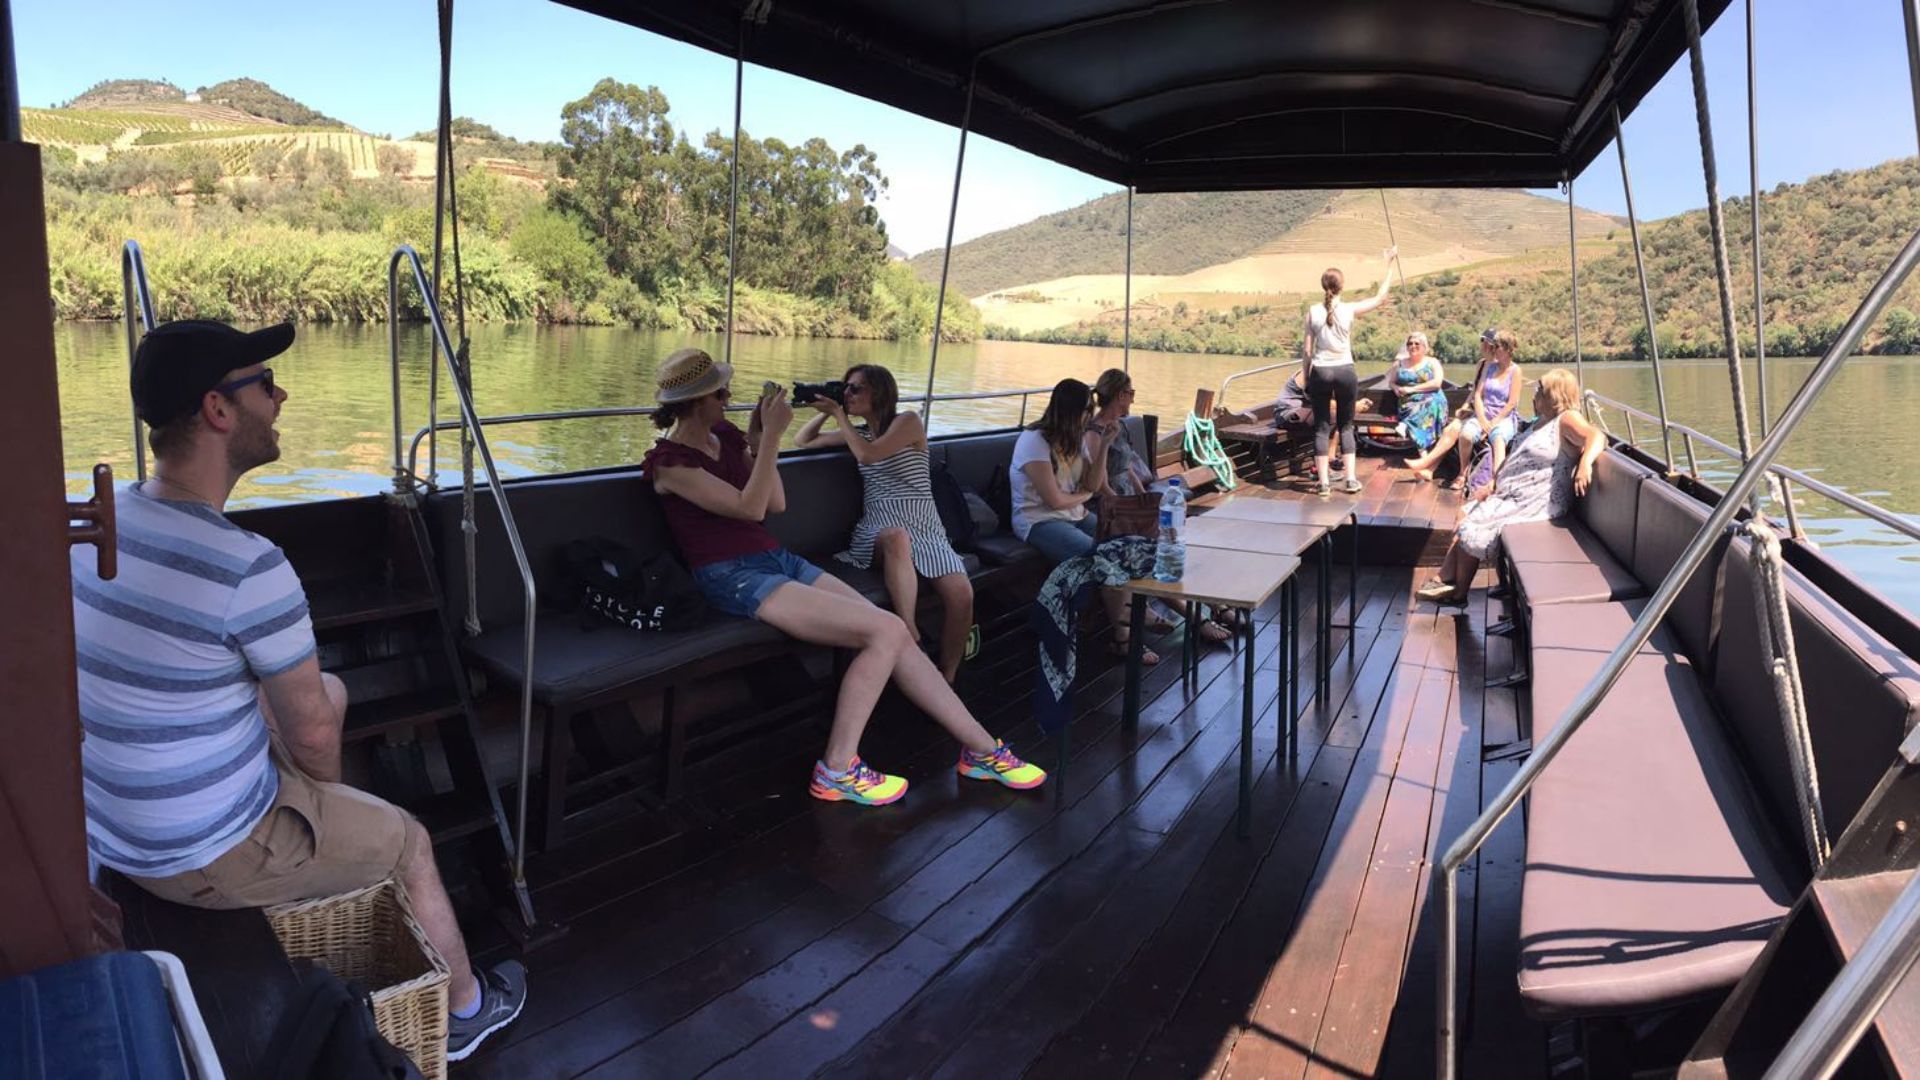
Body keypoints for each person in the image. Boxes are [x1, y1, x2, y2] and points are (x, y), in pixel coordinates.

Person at [72, 320, 526, 1062]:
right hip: (197, 854)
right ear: (219, 410)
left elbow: (312, 717)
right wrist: (320, 805)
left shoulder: (103, 524)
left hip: (120, 827)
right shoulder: (248, 566)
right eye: (265, 384)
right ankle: (469, 1010)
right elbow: (312, 743)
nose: (281, 396)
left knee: (334, 693)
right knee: (407, 840)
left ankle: (315, 861)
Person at [642, 348, 1044, 806]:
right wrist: (773, 436)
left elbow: (774, 505)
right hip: (729, 575)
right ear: (698, 401)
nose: (729, 396)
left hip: (777, 560)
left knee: (895, 635)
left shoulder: (725, 437)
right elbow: (749, 508)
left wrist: (755, 441)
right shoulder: (671, 465)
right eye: (720, 391)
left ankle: (983, 750)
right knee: (886, 629)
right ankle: (836, 768)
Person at [794, 364, 973, 683]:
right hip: (880, 526)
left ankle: (947, 674)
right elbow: (803, 440)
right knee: (896, 538)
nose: (848, 393)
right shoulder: (858, 433)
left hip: (925, 524)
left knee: (962, 595)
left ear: (880, 392)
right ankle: (909, 634)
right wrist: (827, 408)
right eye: (845, 387)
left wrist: (839, 415)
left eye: (855, 388)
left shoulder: (908, 421)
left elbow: (869, 456)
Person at [1416, 368, 1604, 605]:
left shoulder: (1567, 418)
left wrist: (1585, 463)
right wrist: (1493, 483)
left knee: (1471, 524)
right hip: (1513, 494)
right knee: (1467, 512)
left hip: (1537, 501)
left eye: (1540, 389)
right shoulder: (1541, 421)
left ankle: (1456, 590)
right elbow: (1515, 457)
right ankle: (1448, 581)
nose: (1534, 393)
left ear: (1555, 395)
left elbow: (1595, 436)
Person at [1010, 378, 1161, 663]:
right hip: (1039, 521)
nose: (1089, 416)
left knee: (1128, 543)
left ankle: (1130, 614)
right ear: (1069, 411)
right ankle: (1123, 636)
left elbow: (1092, 482)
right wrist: (1084, 495)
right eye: (1085, 410)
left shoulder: (1076, 437)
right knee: (1105, 556)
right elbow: (1054, 500)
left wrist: (1104, 445)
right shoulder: (1034, 442)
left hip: (1074, 515)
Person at [1086, 369, 1232, 644]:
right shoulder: (1095, 432)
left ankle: (1210, 605)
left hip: (1129, 498)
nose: (1132, 400)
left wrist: (1144, 498)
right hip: (1111, 504)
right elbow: (1100, 480)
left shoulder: (1120, 425)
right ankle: (1198, 615)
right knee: (1156, 553)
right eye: (1131, 394)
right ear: (1120, 395)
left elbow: (1127, 466)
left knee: (1170, 544)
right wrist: (1128, 505)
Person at [1303, 248, 1398, 497]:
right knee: (1346, 426)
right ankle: (1350, 480)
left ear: (1323, 285)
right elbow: (1380, 297)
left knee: (1322, 428)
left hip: (1320, 372)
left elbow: (1307, 351)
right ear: (1342, 286)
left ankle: (1323, 484)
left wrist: (1306, 378)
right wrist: (1389, 266)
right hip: (1345, 371)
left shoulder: (1312, 311)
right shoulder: (1349, 309)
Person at [1408, 328, 1523, 490]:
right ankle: (1438, 469)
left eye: (1488, 343)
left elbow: (1511, 403)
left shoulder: (1514, 370)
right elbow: (1476, 392)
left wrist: (1489, 422)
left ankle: (1494, 481)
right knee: (1457, 430)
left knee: (1459, 429)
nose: (1484, 346)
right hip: (1480, 412)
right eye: (1486, 343)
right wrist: (1469, 409)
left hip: (1498, 417)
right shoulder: (1485, 365)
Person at [1390, 331, 1448, 451]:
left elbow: (1437, 384)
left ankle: (1407, 425)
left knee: (1429, 404)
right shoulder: (1399, 364)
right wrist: (1396, 388)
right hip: (1408, 403)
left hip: (1432, 400)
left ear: (1424, 347)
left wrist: (1412, 389)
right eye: (1410, 343)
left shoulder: (1433, 362)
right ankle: (1423, 451)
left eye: (1417, 343)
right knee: (1422, 409)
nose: (1413, 346)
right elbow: (1391, 382)